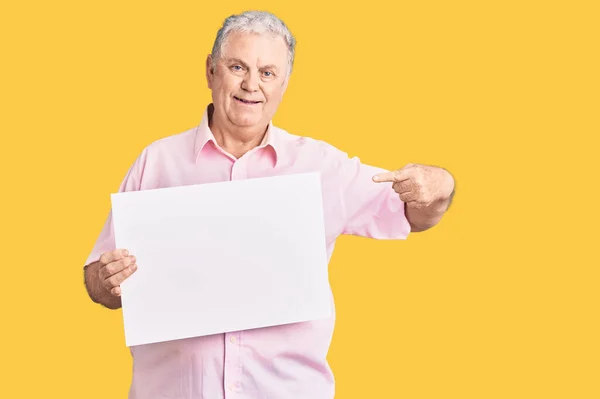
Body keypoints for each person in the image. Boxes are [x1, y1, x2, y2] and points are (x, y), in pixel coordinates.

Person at [83, 10, 455, 399]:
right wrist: (106, 281)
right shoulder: (156, 162)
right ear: (211, 71)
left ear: (284, 83)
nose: (250, 85)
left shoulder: (321, 167)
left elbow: (414, 216)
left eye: (267, 72)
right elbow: (98, 281)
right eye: (237, 66)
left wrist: (439, 186)